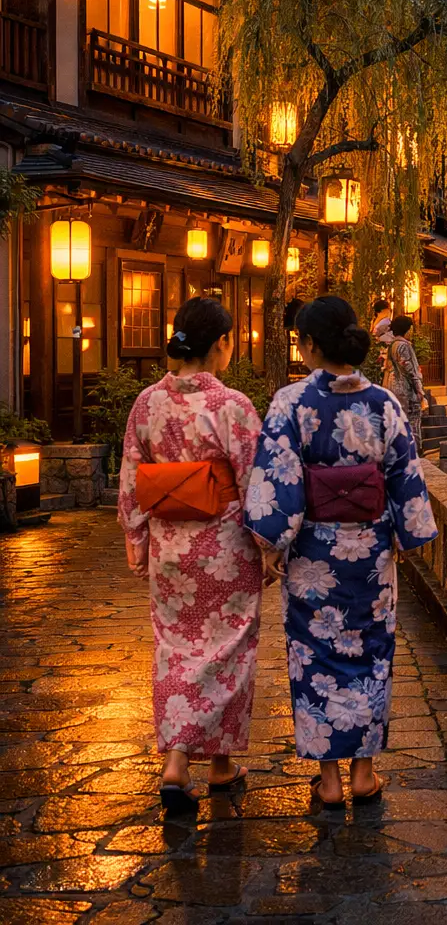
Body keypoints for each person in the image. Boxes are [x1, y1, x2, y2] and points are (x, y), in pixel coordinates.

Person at [245, 296, 438, 808]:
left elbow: (279, 478)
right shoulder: (383, 404)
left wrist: (271, 544)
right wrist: (406, 531)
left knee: (315, 657)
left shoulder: (291, 403)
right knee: (371, 651)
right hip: (371, 552)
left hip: (313, 555)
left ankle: (328, 780)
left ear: (309, 344)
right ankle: (363, 774)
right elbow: (404, 473)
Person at [117, 297, 264, 814]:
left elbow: (132, 483)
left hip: (170, 551)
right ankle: (198, 762)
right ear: (222, 343)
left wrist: (137, 546)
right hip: (224, 549)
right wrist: (269, 548)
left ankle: (199, 764)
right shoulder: (233, 406)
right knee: (227, 653)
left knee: (175, 649)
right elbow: (255, 483)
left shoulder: (148, 403)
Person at [386, 316, 425, 442]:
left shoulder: (393, 345)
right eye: (411, 329)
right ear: (407, 330)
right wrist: (419, 390)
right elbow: (410, 370)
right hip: (407, 389)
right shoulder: (404, 346)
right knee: (412, 421)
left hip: (394, 387)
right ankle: (413, 450)